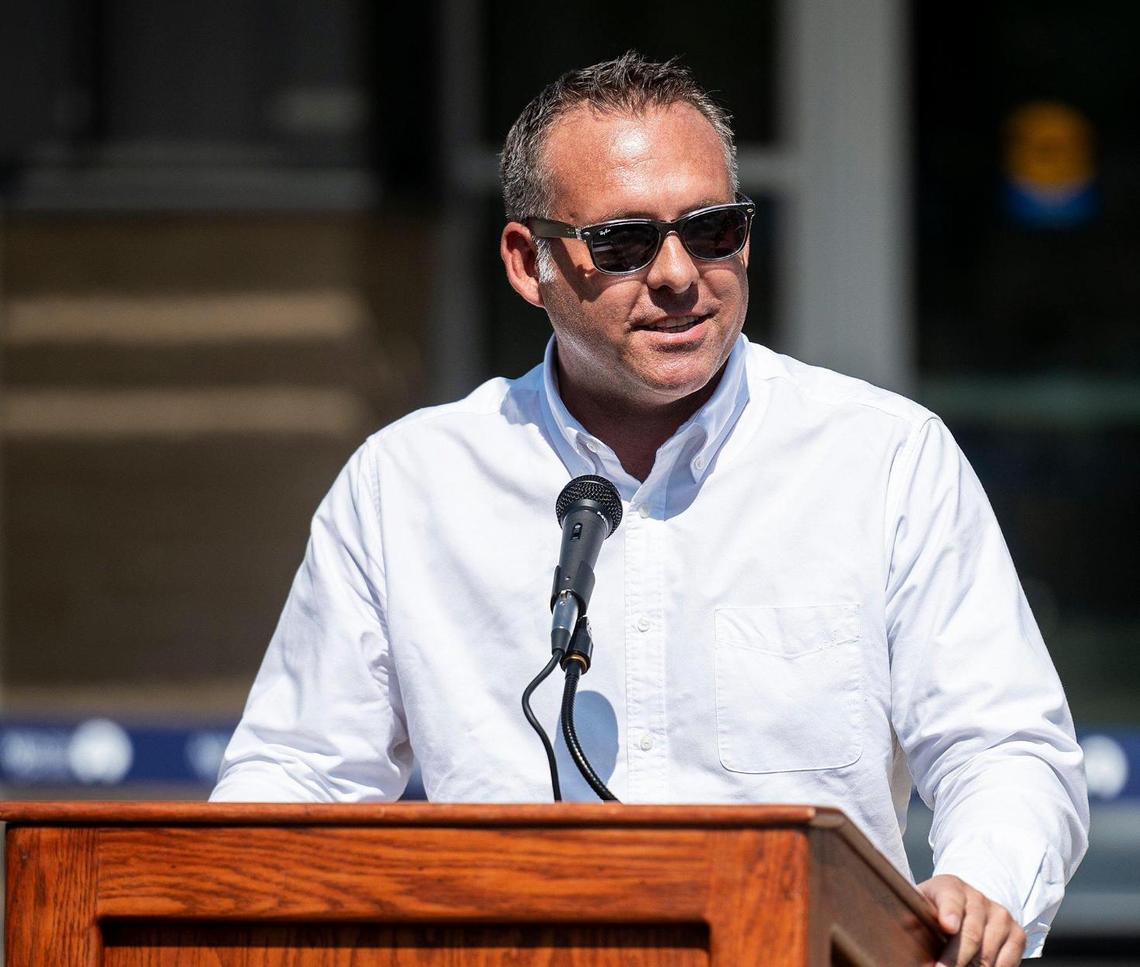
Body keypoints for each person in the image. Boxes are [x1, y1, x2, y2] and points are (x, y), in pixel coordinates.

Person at [212, 53, 1088, 966]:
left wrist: (981, 883)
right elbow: (297, 777)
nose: (678, 274)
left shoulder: (883, 459)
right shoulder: (409, 486)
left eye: (712, 230)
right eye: (626, 243)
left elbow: (1004, 744)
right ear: (528, 261)